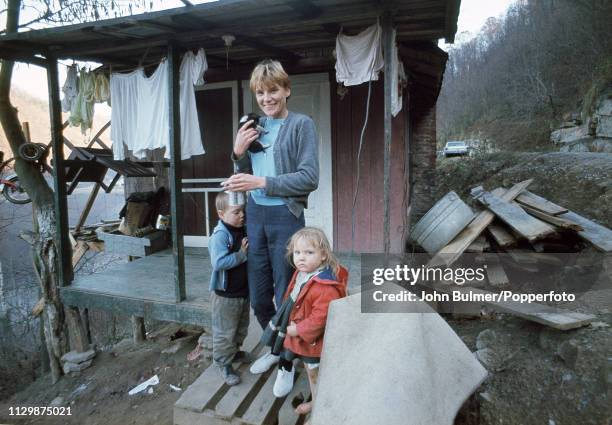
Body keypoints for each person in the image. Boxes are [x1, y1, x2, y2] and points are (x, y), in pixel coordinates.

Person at [222, 59, 319, 374]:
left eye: (273, 90)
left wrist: (261, 183)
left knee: (286, 293)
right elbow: (244, 174)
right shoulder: (253, 128)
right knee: (260, 297)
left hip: (286, 219)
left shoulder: (301, 125)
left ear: (286, 90)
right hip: (256, 216)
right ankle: (278, 349)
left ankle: (290, 362)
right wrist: (237, 154)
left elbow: (309, 178)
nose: (267, 99)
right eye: (261, 93)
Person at [262, 227, 348, 417]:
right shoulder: (304, 273)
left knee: (315, 374)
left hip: (314, 342)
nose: (301, 258)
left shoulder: (325, 287)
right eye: (297, 252)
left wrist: (299, 329)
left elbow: (320, 318)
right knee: (311, 373)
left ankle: (320, 410)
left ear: (323, 255)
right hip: (302, 337)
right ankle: (317, 401)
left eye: (309, 252)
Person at [205, 191, 252, 386]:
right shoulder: (220, 235)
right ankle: (223, 364)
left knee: (240, 327)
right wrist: (241, 254)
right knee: (225, 332)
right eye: (236, 212)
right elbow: (218, 262)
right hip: (225, 296)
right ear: (221, 214)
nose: (241, 215)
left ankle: (236, 351)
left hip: (242, 292)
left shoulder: (241, 229)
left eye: (243, 211)